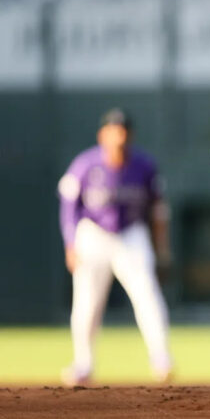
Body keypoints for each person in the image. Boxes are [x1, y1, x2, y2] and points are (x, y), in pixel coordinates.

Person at [58, 108, 174, 386]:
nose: (118, 135)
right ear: (102, 135)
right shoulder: (84, 165)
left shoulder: (145, 166)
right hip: (93, 234)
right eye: (113, 130)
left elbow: (158, 211)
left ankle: (161, 359)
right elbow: (68, 208)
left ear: (130, 135)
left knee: (147, 295)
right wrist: (70, 244)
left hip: (131, 234)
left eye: (122, 130)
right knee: (87, 303)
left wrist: (162, 249)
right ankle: (83, 364)